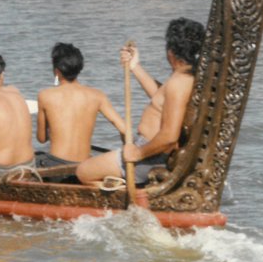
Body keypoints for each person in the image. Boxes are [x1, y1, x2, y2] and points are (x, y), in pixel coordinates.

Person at [75, 18, 204, 187]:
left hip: (152, 155)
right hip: (151, 151)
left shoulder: (178, 83)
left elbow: (170, 137)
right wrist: (135, 66)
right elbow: (161, 98)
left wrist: (138, 153)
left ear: (171, 52)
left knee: (83, 172)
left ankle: (124, 200)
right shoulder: (187, 77)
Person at [36, 43, 127, 168]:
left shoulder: (45, 95)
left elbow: (41, 139)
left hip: (56, 165)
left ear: (57, 71)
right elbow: (124, 129)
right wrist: (128, 151)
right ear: (80, 68)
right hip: (83, 167)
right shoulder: (97, 95)